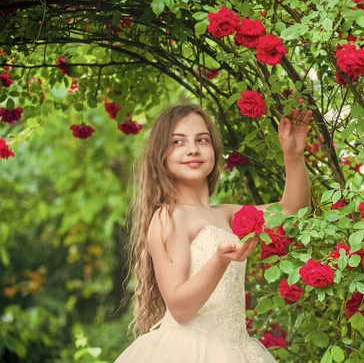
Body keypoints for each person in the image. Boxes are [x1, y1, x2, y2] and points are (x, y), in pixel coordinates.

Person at [115, 103, 312, 362]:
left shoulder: (226, 214)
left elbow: (291, 210)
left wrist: (293, 156)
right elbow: (180, 308)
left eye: (202, 140)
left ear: (215, 151)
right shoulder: (170, 217)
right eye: (177, 142)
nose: (192, 149)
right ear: (160, 156)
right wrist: (219, 261)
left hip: (236, 349)